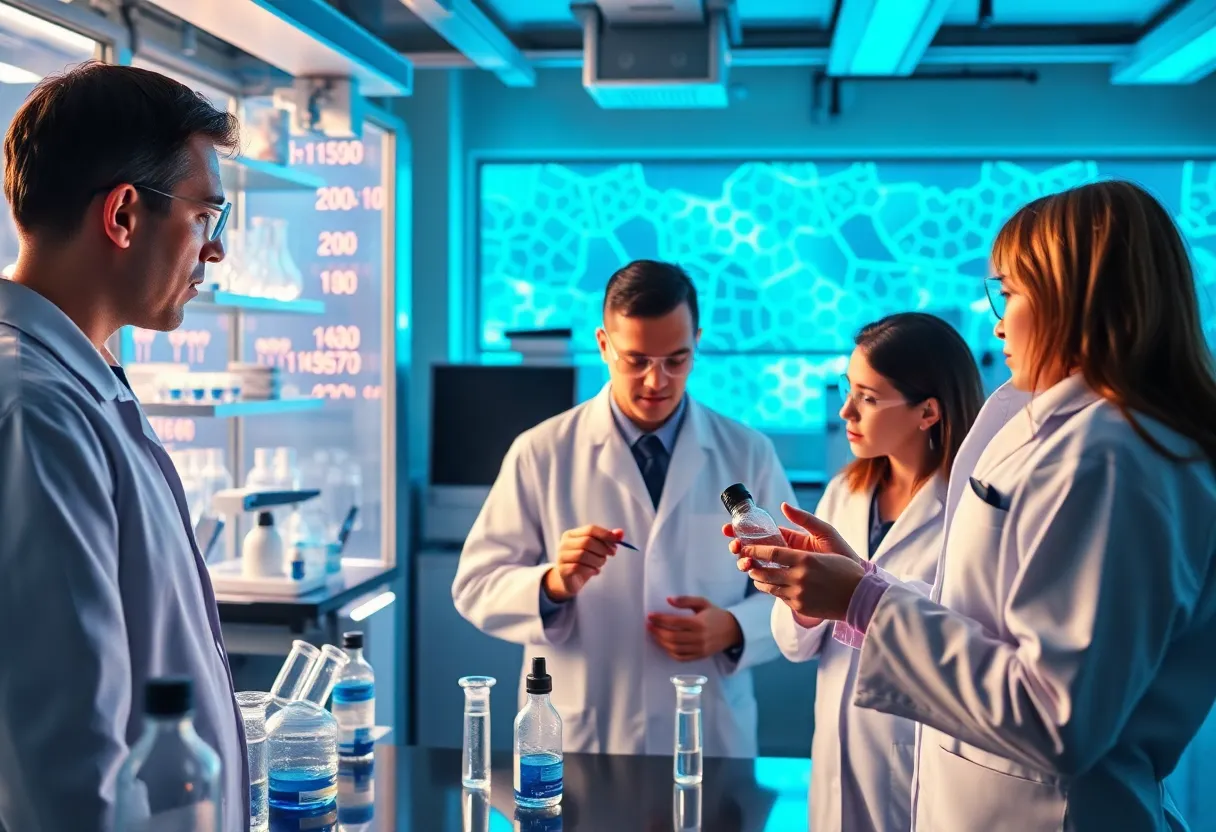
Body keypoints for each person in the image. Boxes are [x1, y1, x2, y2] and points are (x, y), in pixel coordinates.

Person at [729, 180, 1216, 829]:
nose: (995, 318)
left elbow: (1055, 717)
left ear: (1070, 299)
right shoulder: (1049, 425)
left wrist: (863, 601)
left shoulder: (1111, 457)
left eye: (1009, 293)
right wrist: (856, 587)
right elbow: (983, 616)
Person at [0, 63, 247, 830]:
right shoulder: (37, 410)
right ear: (124, 215)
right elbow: (73, 767)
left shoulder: (82, 385)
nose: (214, 252)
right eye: (207, 217)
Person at [453, 259, 796, 757]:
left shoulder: (747, 452)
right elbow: (475, 586)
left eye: (676, 360)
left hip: (708, 732)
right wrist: (552, 584)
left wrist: (735, 627)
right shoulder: (542, 451)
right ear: (603, 345)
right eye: (637, 360)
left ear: (697, 342)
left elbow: (796, 589)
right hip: (585, 737)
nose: (657, 381)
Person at [772, 313, 981, 831]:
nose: (845, 410)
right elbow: (795, 647)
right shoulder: (845, 492)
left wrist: (855, 592)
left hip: (916, 757)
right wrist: (798, 599)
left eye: (868, 397)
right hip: (835, 756)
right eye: (849, 390)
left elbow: (963, 635)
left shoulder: (970, 507)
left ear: (928, 411)